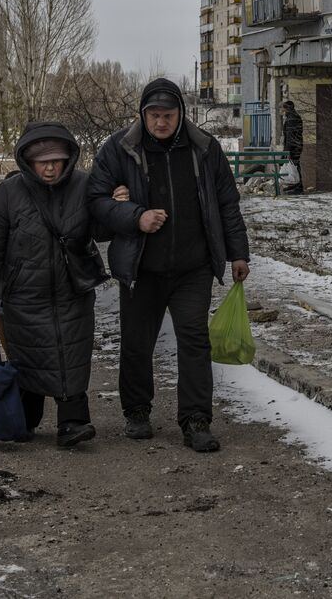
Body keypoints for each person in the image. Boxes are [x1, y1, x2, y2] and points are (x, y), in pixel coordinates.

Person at [87, 78, 250, 452]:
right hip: (141, 267)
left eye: (168, 115)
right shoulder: (119, 149)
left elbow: (227, 203)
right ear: (142, 115)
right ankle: (137, 412)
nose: (161, 123)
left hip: (192, 267)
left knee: (194, 340)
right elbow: (95, 201)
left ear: (181, 114)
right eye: (154, 115)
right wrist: (134, 216)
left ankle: (196, 420)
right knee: (137, 342)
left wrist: (238, 252)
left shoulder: (204, 148)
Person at [0, 121, 108, 448]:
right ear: (27, 160)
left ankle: (73, 423)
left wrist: (116, 203)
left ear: (68, 158)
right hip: (24, 295)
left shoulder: (84, 186)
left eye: (56, 159)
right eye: (42, 160)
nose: (49, 166)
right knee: (29, 355)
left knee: (70, 355)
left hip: (72, 291)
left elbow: (104, 229)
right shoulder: (9, 192)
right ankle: (25, 419)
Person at [281, 100, 303, 194]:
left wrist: (287, 151)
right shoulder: (295, 116)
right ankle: (296, 186)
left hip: (293, 146)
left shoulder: (291, 119)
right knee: (295, 166)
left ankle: (298, 187)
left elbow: (290, 136)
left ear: (287, 108)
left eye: (283, 108)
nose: (282, 110)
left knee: (294, 166)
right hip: (297, 145)